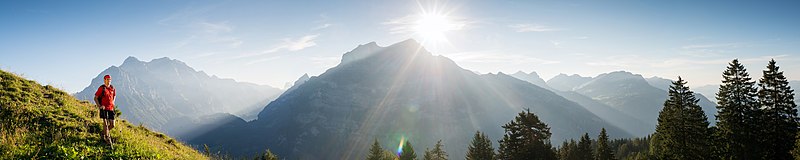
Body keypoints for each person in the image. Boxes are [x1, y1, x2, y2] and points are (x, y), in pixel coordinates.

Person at [94, 74, 116, 146]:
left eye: (109, 80)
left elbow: (114, 96)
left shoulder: (112, 88)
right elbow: (96, 98)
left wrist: (113, 102)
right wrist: (99, 106)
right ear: (104, 80)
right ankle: (107, 139)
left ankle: (103, 133)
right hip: (104, 108)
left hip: (111, 108)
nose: (108, 81)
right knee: (105, 124)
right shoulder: (102, 88)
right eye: (107, 79)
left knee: (112, 125)